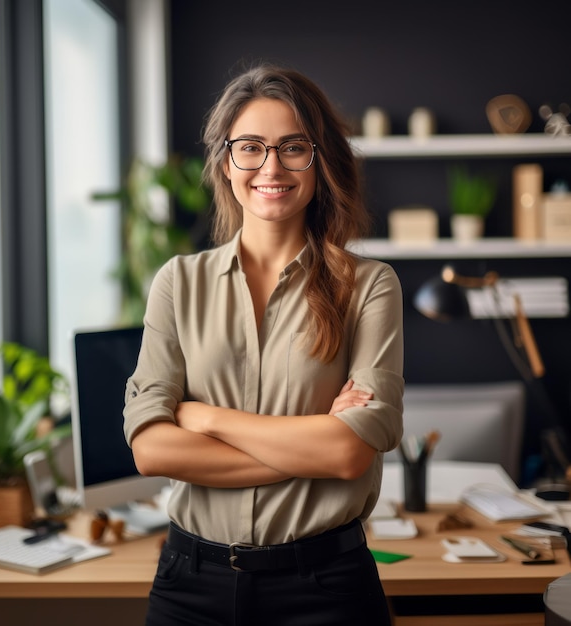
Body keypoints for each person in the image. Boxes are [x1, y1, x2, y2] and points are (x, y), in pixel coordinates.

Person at [123, 64, 404, 625]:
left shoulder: (369, 285)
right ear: (225, 162)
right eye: (250, 147)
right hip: (190, 586)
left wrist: (204, 418)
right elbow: (152, 450)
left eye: (293, 147)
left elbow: (348, 453)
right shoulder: (179, 282)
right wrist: (311, 443)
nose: (271, 167)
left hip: (325, 588)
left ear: (319, 160)